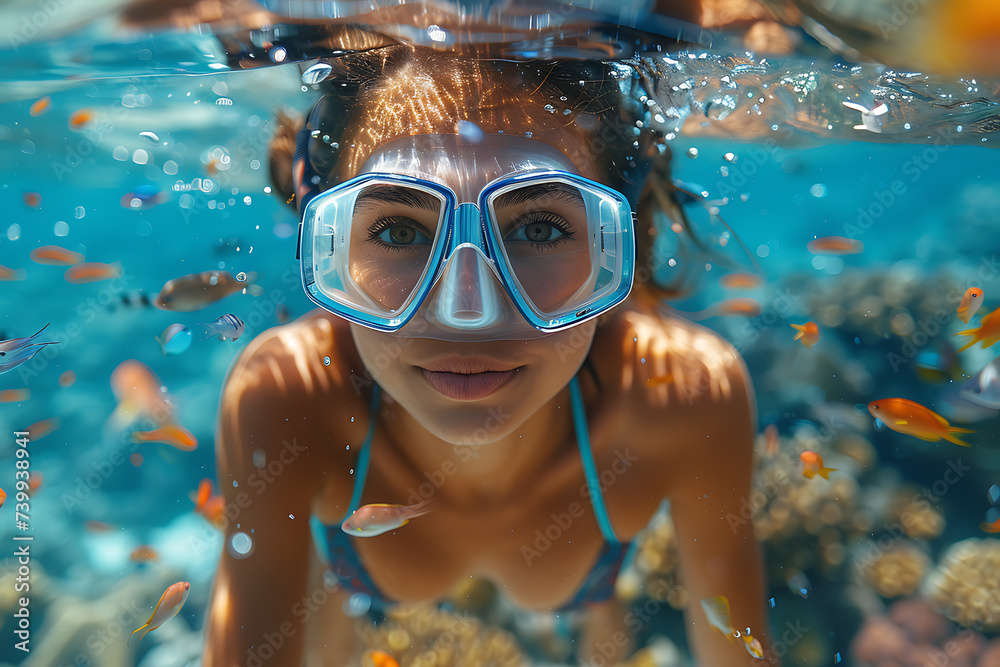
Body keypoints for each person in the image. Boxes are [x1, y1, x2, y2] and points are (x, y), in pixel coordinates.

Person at [203, 43, 774, 666]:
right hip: (352, 578)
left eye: (538, 229)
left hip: (582, 566)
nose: (465, 314)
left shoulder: (686, 394)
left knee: (601, 620)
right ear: (330, 247)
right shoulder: (284, 395)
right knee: (330, 609)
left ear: (616, 245)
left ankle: (600, 602)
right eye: (398, 232)